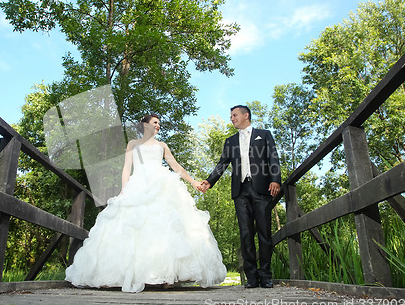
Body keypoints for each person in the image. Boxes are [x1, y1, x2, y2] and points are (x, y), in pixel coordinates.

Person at [65, 113, 226, 292]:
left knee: (165, 226)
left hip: (161, 184)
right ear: (145, 125)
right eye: (155, 123)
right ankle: (138, 275)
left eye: (159, 123)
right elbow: (127, 169)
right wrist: (124, 191)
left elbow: (176, 167)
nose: (158, 126)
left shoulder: (162, 145)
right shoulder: (133, 144)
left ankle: (166, 275)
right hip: (139, 184)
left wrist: (194, 182)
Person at [200, 105, 281, 288]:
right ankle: (251, 276)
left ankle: (266, 274)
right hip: (240, 191)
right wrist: (209, 181)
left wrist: (275, 179)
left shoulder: (264, 134)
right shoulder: (230, 141)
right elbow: (222, 164)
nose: (232, 118)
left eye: (234, 115)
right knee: (245, 234)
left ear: (246, 115)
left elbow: (273, 157)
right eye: (231, 116)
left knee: (264, 233)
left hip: (261, 189)